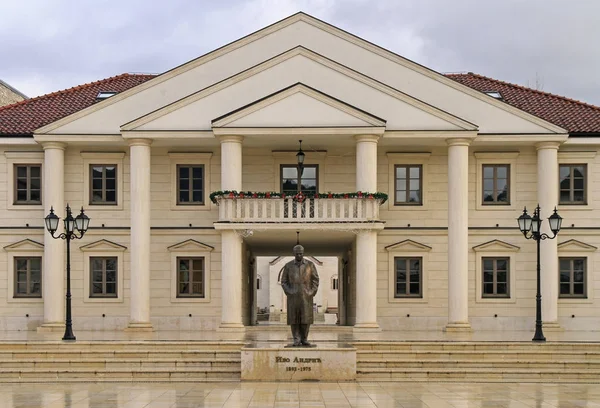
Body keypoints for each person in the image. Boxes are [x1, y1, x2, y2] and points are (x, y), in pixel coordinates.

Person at [281, 245, 320, 346]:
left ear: (303, 253)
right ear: (294, 254)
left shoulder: (310, 265)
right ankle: (296, 339)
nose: (299, 255)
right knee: (294, 319)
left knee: (305, 318)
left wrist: (311, 292)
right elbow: (284, 281)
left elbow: (315, 280)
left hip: (306, 296)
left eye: (301, 253)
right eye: (297, 253)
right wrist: (289, 291)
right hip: (293, 297)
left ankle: (304, 338)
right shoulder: (288, 266)